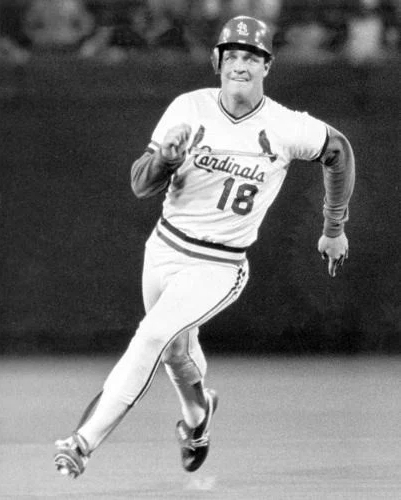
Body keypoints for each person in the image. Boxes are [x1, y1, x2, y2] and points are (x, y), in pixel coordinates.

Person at [54, 15, 355, 478]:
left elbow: (339, 152)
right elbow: (141, 185)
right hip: (164, 248)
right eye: (232, 55)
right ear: (217, 61)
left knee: (153, 336)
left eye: (251, 57)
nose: (241, 64)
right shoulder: (188, 108)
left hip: (219, 263)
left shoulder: (286, 126)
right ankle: (198, 420)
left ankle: (82, 441)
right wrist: (165, 159)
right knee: (175, 351)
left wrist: (333, 226)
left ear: (267, 67)